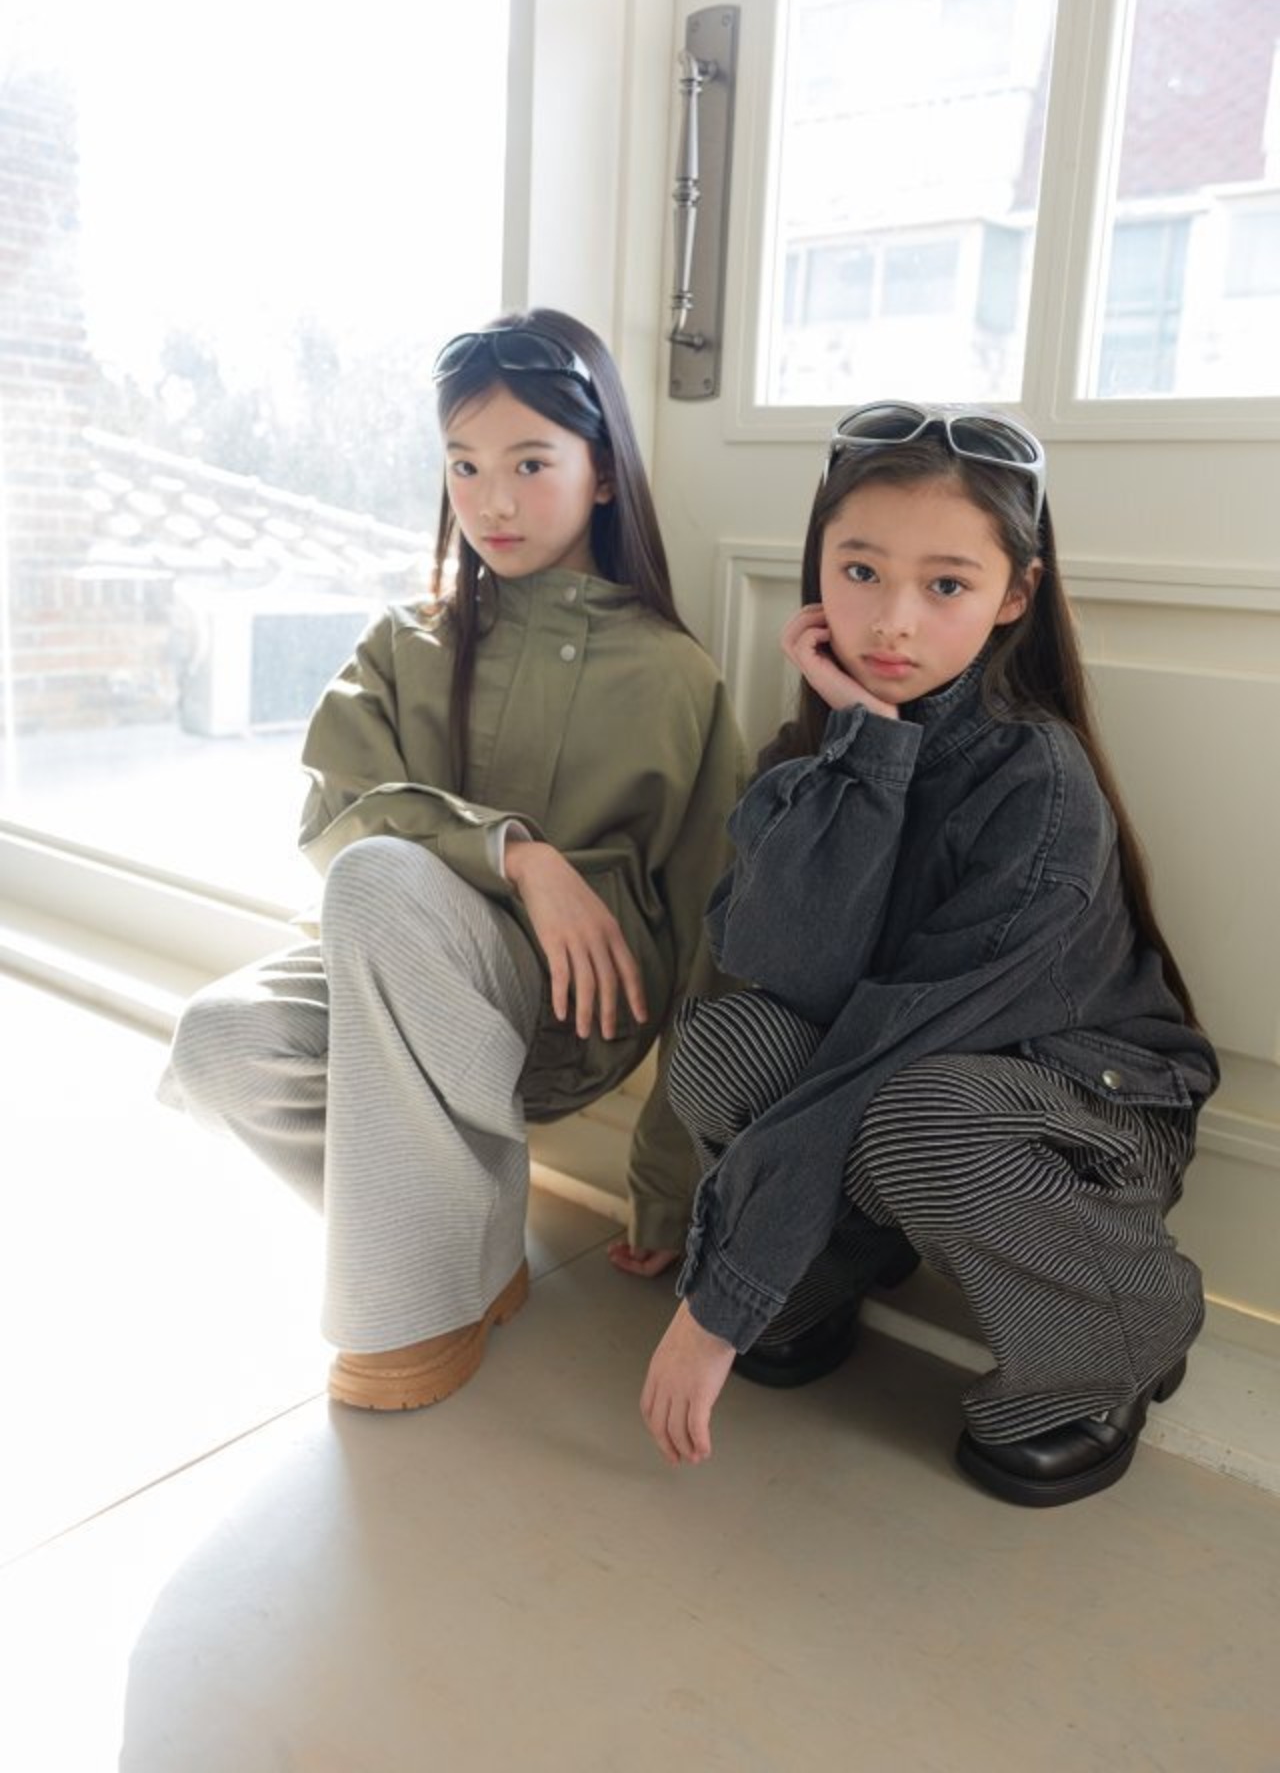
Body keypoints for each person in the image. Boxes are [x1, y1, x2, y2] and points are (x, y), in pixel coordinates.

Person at [162, 306, 743, 1411]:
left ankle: (413, 1310)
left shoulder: (674, 676)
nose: (492, 501)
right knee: (219, 1045)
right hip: (393, 978)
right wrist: (517, 856)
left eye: (530, 462)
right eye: (464, 465)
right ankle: (471, 1244)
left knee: (382, 876)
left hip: (567, 1021)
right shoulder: (404, 640)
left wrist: (671, 1182)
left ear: (603, 473)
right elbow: (336, 816)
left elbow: (718, 934)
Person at [640, 400, 1217, 1507]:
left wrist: (719, 1301)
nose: (890, 622)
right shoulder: (818, 746)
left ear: (1015, 595)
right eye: (859, 571)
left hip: (1079, 1108)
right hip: (907, 1083)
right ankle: (829, 1270)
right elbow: (782, 965)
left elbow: (891, 1049)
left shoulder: (1039, 786)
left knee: (923, 1114)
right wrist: (865, 752)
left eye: (945, 585)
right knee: (725, 1044)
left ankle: (1119, 1333)